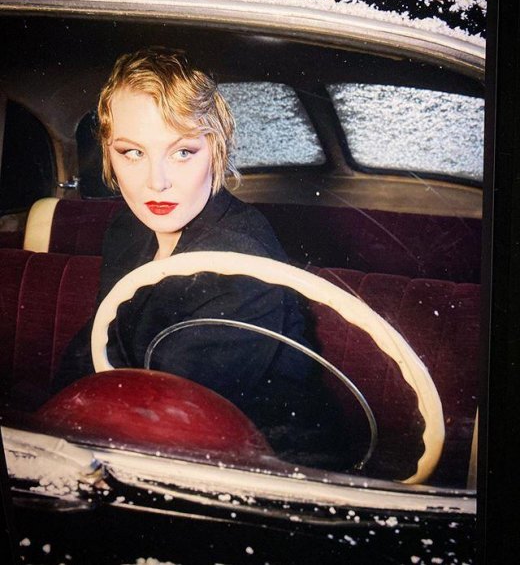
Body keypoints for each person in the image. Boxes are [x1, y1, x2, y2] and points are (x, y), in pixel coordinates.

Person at [54, 48, 352, 470]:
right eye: (132, 152)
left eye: (182, 152)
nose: (156, 182)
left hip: (259, 471)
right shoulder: (128, 228)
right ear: (108, 153)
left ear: (216, 148)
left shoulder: (242, 261)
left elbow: (170, 421)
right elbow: (97, 344)